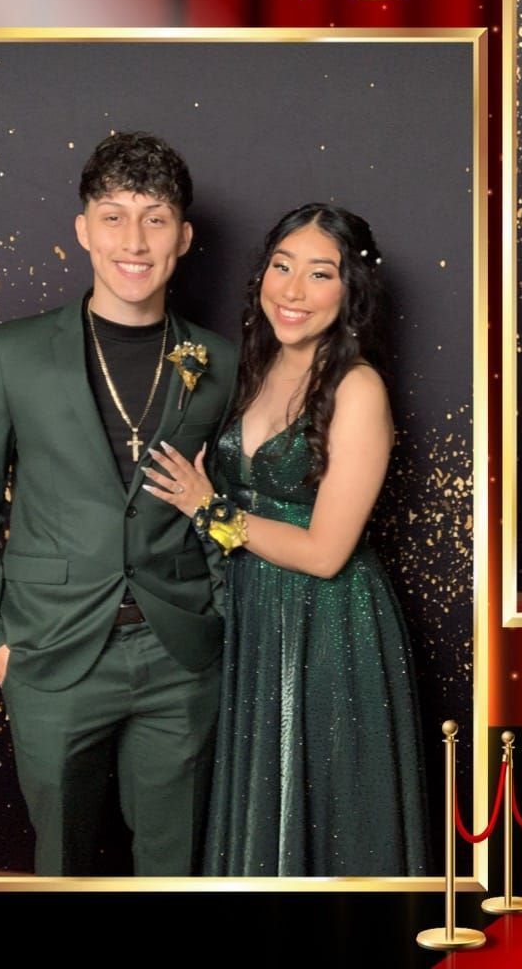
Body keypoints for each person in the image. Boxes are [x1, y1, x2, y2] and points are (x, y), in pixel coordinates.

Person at [0, 132, 235, 876]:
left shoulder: (224, 362)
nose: (133, 240)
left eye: (156, 218)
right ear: (83, 230)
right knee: (64, 863)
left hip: (179, 655)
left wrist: (220, 622)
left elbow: (234, 504)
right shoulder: (10, 353)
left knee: (175, 867)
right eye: (113, 215)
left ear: (184, 237)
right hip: (49, 653)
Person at [142, 204, 428, 876]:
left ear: (351, 289)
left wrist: (208, 510)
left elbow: (327, 552)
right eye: (282, 266)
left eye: (320, 274)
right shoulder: (256, 367)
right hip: (255, 613)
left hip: (329, 626)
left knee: (325, 811)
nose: (293, 291)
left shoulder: (358, 388)